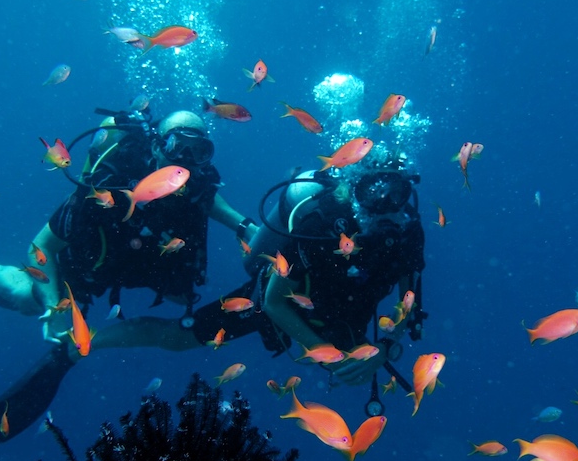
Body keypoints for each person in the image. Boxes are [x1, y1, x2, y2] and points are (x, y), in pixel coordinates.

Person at [0, 105, 259, 446]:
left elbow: (212, 202)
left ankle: (79, 343)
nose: (188, 159)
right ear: (158, 145)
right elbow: (41, 246)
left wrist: (244, 226)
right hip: (89, 262)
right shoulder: (110, 179)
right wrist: (53, 307)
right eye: (180, 146)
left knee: (181, 298)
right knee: (27, 300)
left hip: (143, 261)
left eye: (200, 150)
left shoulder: (194, 184)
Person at [88, 147, 428, 413]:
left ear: (407, 195)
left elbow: (409, 303)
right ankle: (86, 342)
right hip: (281, 300)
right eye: (372, 193)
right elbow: (274, 301)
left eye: (394, 194)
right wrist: (323, 351)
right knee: (179, 337)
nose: (383, 206)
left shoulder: (408, 233)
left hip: (342, 309)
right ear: (356, 190)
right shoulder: (323, 225)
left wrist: (385, 349)